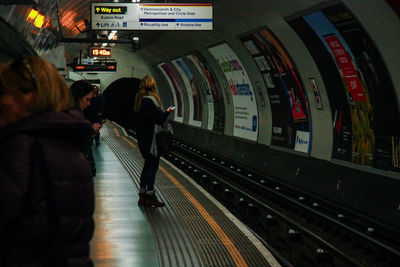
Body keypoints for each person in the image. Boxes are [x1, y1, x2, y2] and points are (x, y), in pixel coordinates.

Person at [0, 56, 94, 266]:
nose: (2, 100)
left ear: (30, 97)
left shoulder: (20, 148)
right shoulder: (69, 147)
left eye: (5, 92)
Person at [134, 75, 174, 207]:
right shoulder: (150, 102)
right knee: (152, 167)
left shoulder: (140, 101)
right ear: (153, 87)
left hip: (143, 139)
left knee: (147, 166)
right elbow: (159, 119)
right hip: (151, 141)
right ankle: (150, 196)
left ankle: (142, 195)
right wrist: (167, 111)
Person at [70, 80, 102, 176]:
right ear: (78, 98)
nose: (89, 104)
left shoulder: (74, 115)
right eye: (87, 99)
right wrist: (90, 130)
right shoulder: (69, 117)